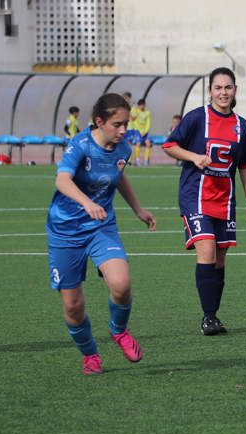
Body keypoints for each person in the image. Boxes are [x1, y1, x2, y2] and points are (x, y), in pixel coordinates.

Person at [47, 92, 157, 375]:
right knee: (73, 306)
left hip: (101, 226)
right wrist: (86, 202)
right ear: (99, 121)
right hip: (66, 230)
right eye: (117, 124)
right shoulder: (80, 144)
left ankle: (118, 330)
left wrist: (138, 210)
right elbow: (62, 180)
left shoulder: (123, 150)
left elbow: (118, 176)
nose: (124, 130)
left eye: (126, 124)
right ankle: (90, 355)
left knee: (121, 284)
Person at [163, 67, 246, 335]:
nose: (223, 92)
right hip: (196, 197)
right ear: (210, 91)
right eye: (218, 88)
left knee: (220, 259)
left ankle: (213, 315)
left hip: (225, 201)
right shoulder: (196, 118)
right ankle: (207, 318)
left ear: (235, 90)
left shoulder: (242, 126)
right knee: (206, 250)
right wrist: (193, 157)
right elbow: (170, 146)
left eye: (228, 87)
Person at [133, 99, 152, 166]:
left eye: (143, 105)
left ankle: (146, 161)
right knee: (138, 143)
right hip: (137, 131)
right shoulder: (136, 112)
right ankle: (137, 161)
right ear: (138, 106)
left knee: (148, 144)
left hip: (145, 132)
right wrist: (140, 131)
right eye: (140, 105)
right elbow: (135, 122)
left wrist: (145, 131)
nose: (142, 107)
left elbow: (148, 123)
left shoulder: (147, 112)